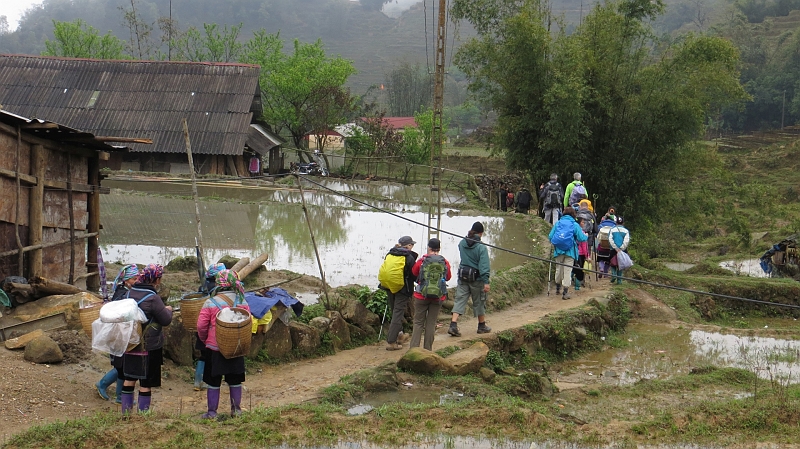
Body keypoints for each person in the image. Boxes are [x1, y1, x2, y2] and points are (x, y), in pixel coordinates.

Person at [114, 264, 173, 415]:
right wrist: (168, 310)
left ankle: (126, 415)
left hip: (130, 344)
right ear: (157, 279)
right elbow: (165, 320)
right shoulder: (153, 298)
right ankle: (143, 416)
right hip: (148, 347)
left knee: (129, 379)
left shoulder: (129, 294)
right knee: (145, 383)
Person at [197, 269, 251, 419]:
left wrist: (205, 340)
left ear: (218, 283)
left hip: (215, 349)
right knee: (235, 380)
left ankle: (212, 413)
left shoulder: (210, 302)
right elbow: (249, 323)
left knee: (213, 381)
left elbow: (201, 326)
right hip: (236, 347)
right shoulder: (242, 301)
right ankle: (237, 411)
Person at [95, 264, 139, 403]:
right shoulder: (122, 295)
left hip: (121, 334)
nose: (137, 280)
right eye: (134, 278)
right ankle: (103, 384)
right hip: (118, 334)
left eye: (138, 277)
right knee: (121, 366)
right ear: (126, 280)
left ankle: (120, 396)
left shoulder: (122, 291)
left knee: (122, 366)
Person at [450, 222, 491, 337]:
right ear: (481, 233)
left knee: (460, 300)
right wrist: (486, 281)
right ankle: (481, 325)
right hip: (476, 279)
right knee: (479, 301)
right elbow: (484, 266)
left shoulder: (462, 243)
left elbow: (462, 249)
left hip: (463, 276)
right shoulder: (481, 247)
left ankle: (453, 324)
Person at [410, 238, 452, 351]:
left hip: (421, 296)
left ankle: (414, 350)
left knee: (418, 322)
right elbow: (448, 277)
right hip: (438, 297)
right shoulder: (444, 261)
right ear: (439, 248)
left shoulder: (422, 260)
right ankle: (427, 350)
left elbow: (414, 272)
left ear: (428, 247)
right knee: (431, 323)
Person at [381, 236, 418, 350]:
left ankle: (400, 334)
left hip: (388, 285)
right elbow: (413, 275)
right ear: (408, 246)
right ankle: (392, 342)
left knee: (395, 311)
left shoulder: (390, 253)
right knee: (398, 313)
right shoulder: (409, 257)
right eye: (412, 245)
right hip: (402, 288)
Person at [193, 262, 226, 391]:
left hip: (201, 324)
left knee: (203, 355)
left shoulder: (202, 287)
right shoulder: (217, 290)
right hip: (211, 328)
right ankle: (209, 381)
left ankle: (197, 381)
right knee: (211, 357)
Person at [549, 207, 588, 300]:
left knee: (559, 268)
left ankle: (558, 286)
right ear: (573, 215)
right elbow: (581, 238)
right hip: (570, 251)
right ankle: (565, 292)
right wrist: (586, 236)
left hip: (558, 250)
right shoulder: (574, 224)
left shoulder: (558, 223)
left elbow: (550, 236)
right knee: (567, 270)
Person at [608, 216, 631, 284]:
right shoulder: (626, 231)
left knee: (612, 263)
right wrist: (621, 248)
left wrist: (615, 248)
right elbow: (626, 241)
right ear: (623, 223)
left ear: (616, 222)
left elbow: (610, 239)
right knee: (621, 264)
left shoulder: (612, 230)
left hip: (613, 249)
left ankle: (613, 274)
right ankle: (619, 280)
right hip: (623, 250)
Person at [596, 208, 617, 278]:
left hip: (601, 246)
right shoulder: (614, 226)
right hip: (610, 247)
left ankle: (601, 268)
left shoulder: (601, 225)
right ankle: (605, 273)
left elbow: (597, 232)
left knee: (601, 258)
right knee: (608, 260)